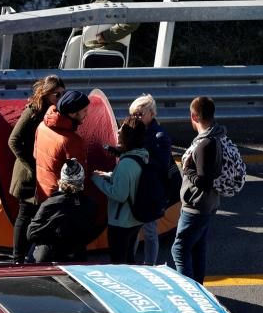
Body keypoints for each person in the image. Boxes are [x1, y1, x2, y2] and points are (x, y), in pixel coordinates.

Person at [0, 75, 66, 265]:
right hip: (29, 174)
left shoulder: (56, 112)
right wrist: (31, 166)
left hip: (45, 173)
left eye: (63, 95)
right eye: (57, 94)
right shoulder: (33, 111)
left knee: (39, 216)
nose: (60, 98)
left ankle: (33, 257)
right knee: (24, 216)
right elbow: (13, 141)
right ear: (47, 93)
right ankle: (18, 259)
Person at [171, 97, 224, 283]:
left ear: (194, 116)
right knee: (196, 247)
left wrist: (187, 170)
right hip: (209, 203)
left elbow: (203, 181)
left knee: (179, 249)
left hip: (196, 205)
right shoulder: (216, 136)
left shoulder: (204, 144)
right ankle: (198, 287)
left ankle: (190, 293)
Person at [92, 116, 148, 264]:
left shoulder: (126, 163)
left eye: (121, 129)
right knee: (129, 258)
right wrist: (110, 175)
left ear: (128, 136)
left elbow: (119, 194)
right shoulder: (141, 156)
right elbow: (131, 180)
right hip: (135, 219)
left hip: (121, 222)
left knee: (119, 263)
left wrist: (97, 179)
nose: (118, 131)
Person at [129, 94, 173, 265]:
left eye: (140, 114)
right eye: (134, 114)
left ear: (152, 114)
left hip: (151, 191)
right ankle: (129, 263)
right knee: (132, 230)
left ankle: (150, 266)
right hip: (136, 188)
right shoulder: (134, 130)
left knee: (149, 231)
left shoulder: (159, 136)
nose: (136, 118)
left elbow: (163, 163)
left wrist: (142, 158)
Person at [26, 158, 98, 263]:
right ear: (82, 180)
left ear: (62, 178)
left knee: (35, 246)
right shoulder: (90, 204)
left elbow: (31, 233)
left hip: (49, 255)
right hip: (76, 254)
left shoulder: (50, 203)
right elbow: (90, 233)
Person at [33, 90, 90, 203]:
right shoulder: (71, 140)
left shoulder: (42, 126)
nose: (87, 114)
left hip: (42, 192)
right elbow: (79, 176)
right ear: (73, 113)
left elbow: (35, 154)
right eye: (84, 111)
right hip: (61, 199)